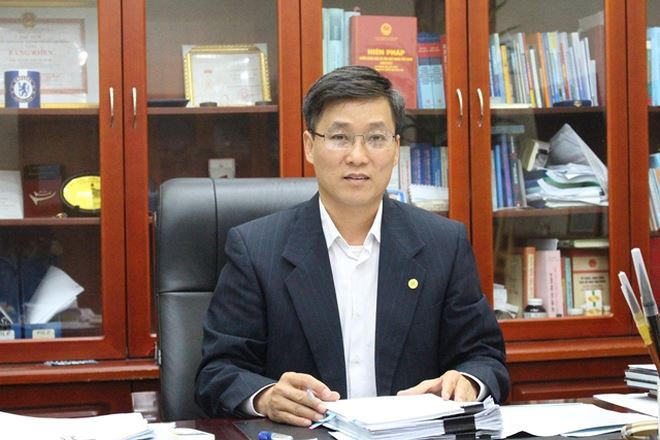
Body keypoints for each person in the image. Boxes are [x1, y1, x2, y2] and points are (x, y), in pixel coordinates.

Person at [195, 65, 509, 426]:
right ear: (309, 146)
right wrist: (266, 397)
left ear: (395, 148)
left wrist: (468, 381)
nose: (358, 156)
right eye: (340, 137)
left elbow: (485, 358)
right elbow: (217, 373)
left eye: (376, 138)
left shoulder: (444, 244)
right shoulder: (255, 249)